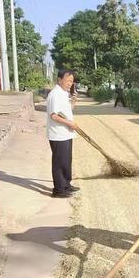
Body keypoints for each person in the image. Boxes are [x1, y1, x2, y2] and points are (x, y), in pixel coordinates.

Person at [46, 70, 79, 198]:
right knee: (59, 162)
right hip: (58, 134)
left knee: (66, 161)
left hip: (66, 133)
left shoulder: (63, 93)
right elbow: (53, 115)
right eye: (68, 80)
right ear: (59, 80)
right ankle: (59, 190)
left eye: (71, 81)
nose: (70, 83)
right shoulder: (55, 94)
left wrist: (73, 101)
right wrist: (69, 124)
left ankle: (66, 184)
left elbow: (66, 111)